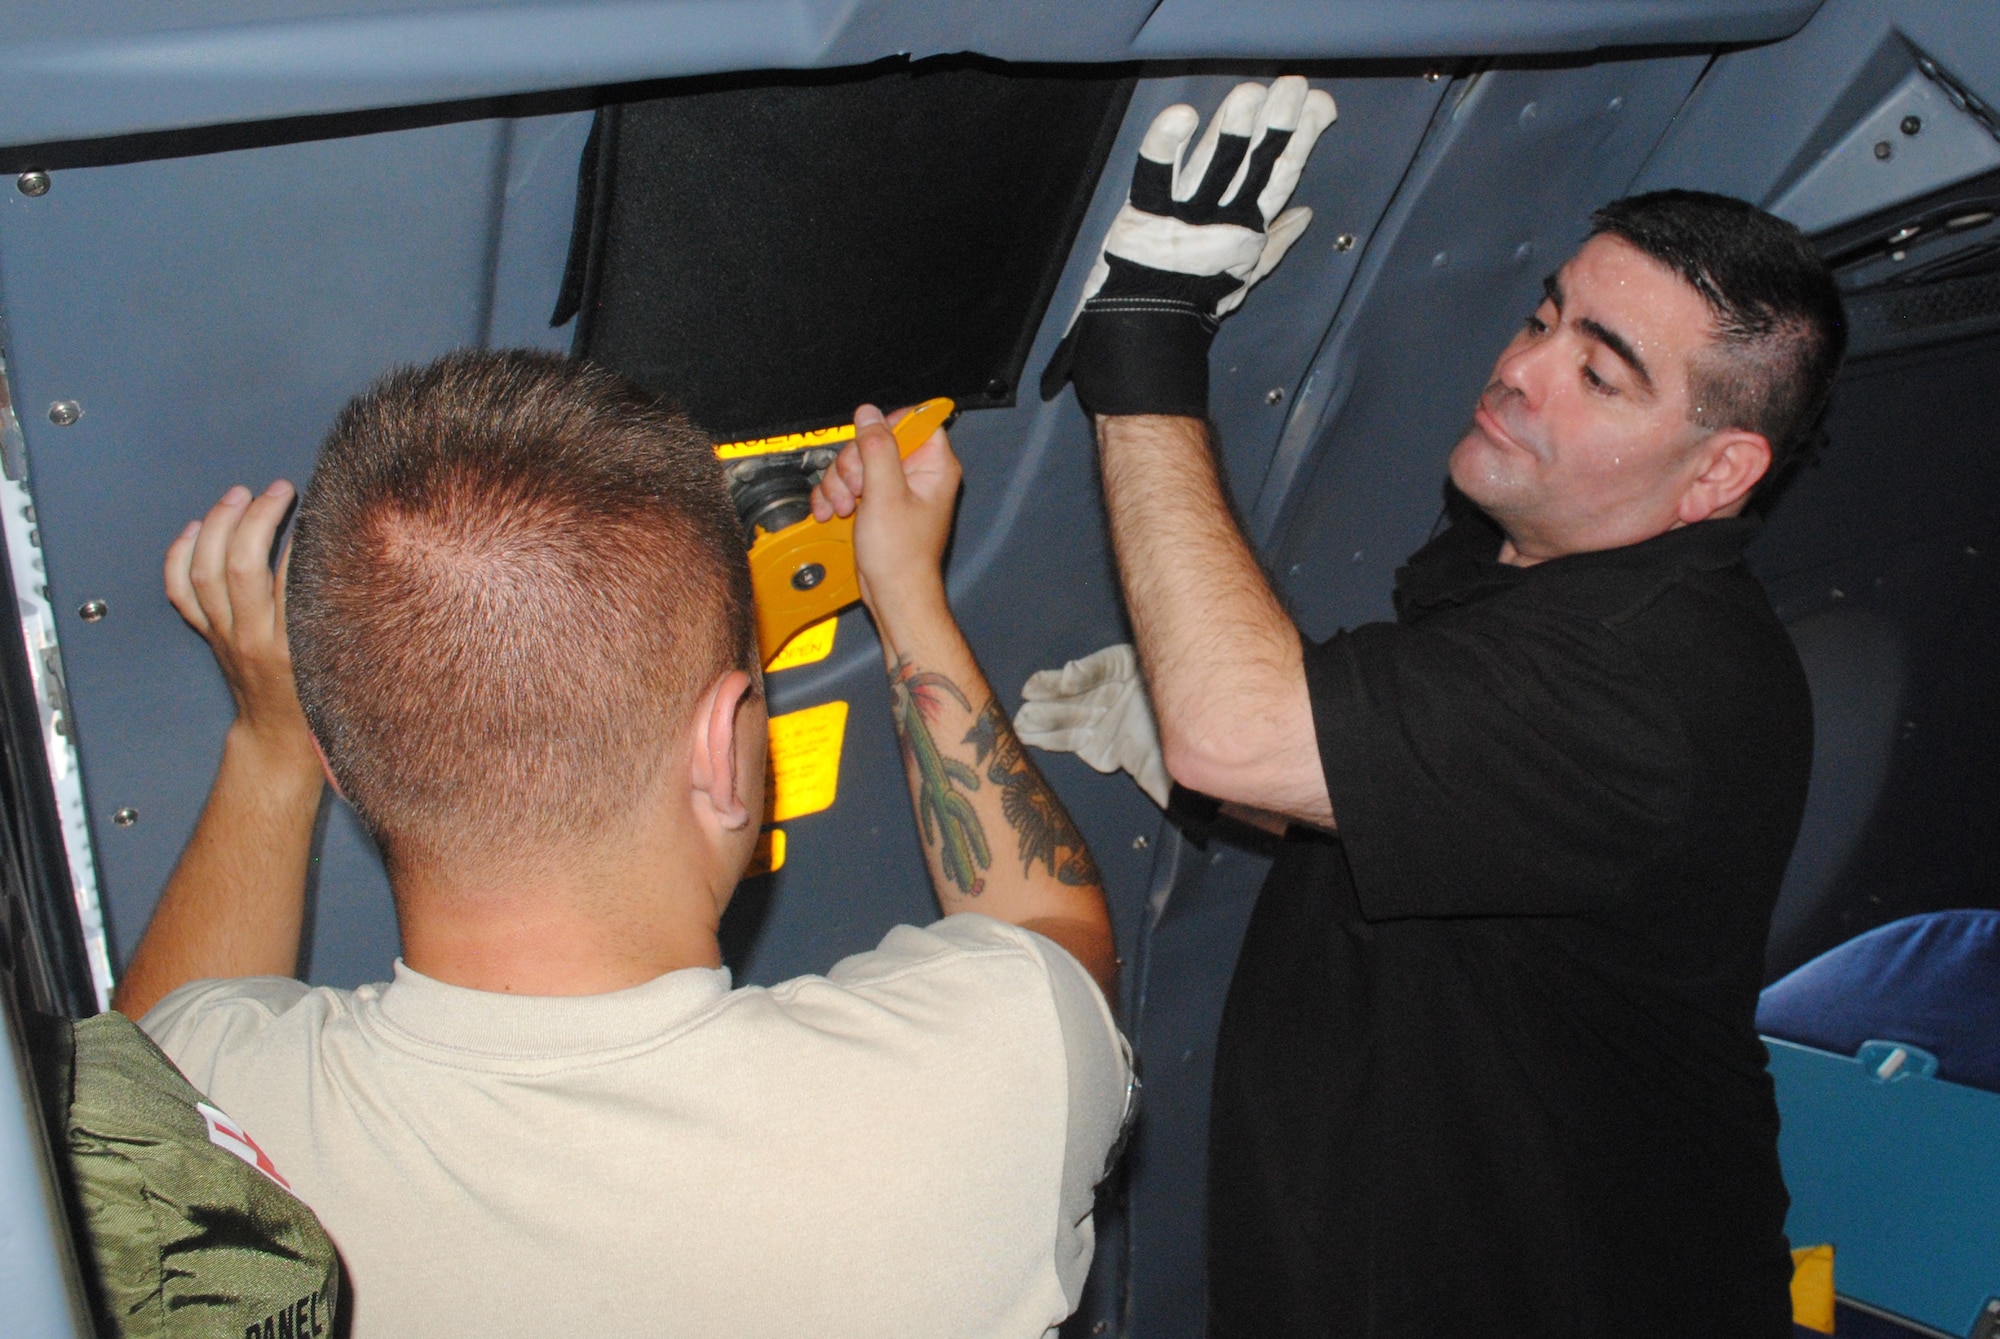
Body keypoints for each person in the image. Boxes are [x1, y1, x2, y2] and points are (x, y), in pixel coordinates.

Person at [1028, 77, 1845, 1336]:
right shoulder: (1510, 575)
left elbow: (1236, 726)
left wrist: (1143, 338)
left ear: (1717, 473)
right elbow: (1445, 828)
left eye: (1600, 373)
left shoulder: (1652, 681)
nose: (1520, 371)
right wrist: (1252, 775)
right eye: (1540, 315)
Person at [112, 350, 1133, 1338]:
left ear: (346, 767)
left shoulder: (199, 1121)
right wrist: (903, 589)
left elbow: (151, 1052)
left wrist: (269, 741)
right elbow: (1045, 924)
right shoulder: (992, 1082)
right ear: (721, 746)